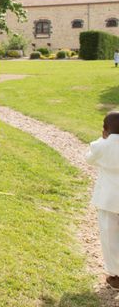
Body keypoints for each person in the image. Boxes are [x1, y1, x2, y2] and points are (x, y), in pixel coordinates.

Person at [85, 111, 119, 291]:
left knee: (109, 235)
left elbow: (89, 159)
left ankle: (115, 274)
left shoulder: (101, 146)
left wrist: (103, 139)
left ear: (105, 130)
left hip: (108, 199)